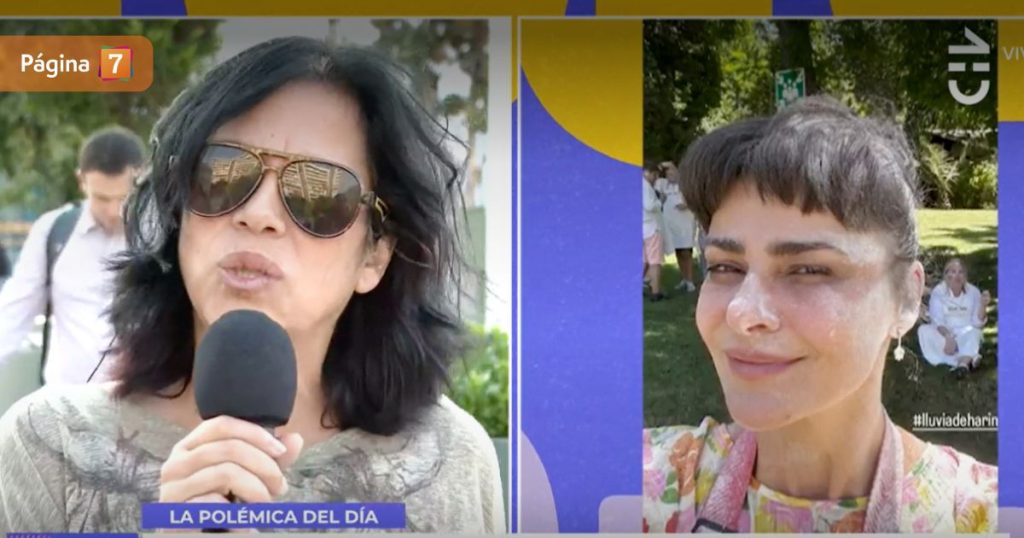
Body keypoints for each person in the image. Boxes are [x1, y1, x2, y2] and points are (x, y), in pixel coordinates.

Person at [0, 37, 504, 533]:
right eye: (223, 173)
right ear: (178, 213)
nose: (257, 214)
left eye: (318, 193)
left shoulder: (447, 463)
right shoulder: (48, 446)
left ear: (374, 255)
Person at [643, 97, 996, 533]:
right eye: (724, 267)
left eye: (808, 270)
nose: (741, 312)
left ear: (907, 298)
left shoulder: (983, 515)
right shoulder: (647, 488)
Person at [0, 126, 142, 385]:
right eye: (102, 198)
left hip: (140, 399)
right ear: (81, 181)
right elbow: (13, 313)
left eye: (123, 198)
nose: (114, 211)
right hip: (64, 398)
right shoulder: (53, 232)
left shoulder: (161, 237)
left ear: (141, 180)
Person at [917, 258, 990, 372]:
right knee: (924, 331)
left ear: (965, 276)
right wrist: (948, 337)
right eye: (952, 272)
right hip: (944, 333)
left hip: (966, 333)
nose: (957, 276)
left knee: (975, 333)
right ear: (946, 276)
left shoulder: (973, 292)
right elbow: (937, 320)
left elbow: (977, 323)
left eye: (960, 272)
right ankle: (969, 358)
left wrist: (983, 306)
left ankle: (963, 364)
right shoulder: (938, 292)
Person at [655, 161, 697, 292]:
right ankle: (684, 278)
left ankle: (690, 280)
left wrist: (687, 205)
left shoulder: (686, 184)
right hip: (671, 223)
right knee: (678, 251)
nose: (670, 176)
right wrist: (661, 168)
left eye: (672, 173)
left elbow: (694, 199)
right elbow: (657, 170)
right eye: (668, 174)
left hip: (685, 222)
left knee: (686, 251)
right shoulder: (662, 184)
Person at [644, 162, 667, 301]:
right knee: (655, 261)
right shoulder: (645, 186)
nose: (655, 178)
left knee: (644, 260)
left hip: (643, 227)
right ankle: (656, 292)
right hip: (652, 227)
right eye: (655, 175)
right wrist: (661, 201)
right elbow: (650, 206)